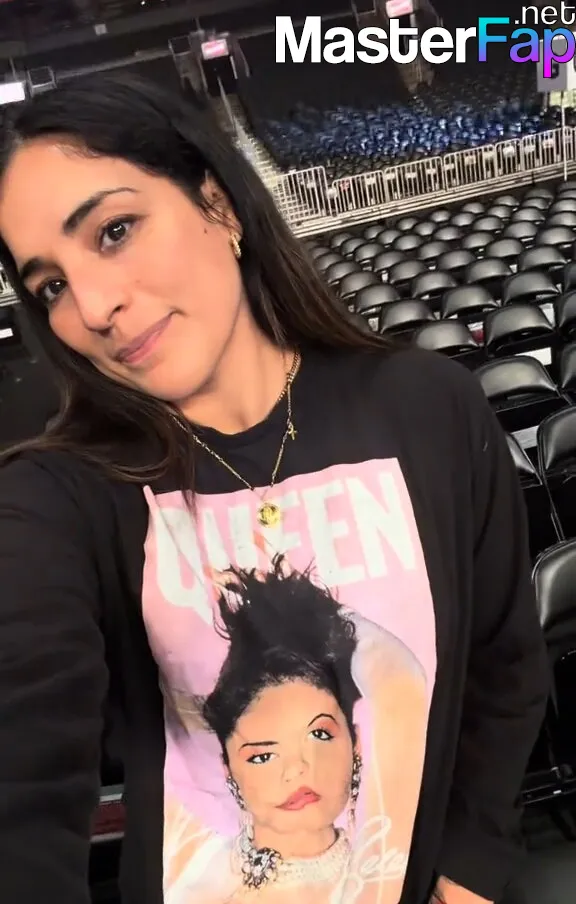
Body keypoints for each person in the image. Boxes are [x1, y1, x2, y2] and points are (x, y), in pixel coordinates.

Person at [0, 73, 548, 904]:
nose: (95, 306)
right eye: (51, 287)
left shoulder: (427, 407)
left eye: (114, 231)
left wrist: (469, 864)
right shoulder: (60, 496)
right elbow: (22, 741)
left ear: (218, 206)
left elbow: (502, 664)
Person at [164, 559, 427, 902]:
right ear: (229, 769)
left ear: (356, 743)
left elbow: (400, 684)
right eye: (263, 755)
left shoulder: (372, 873)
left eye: (319, 735)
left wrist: (326, 616)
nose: (297, 769)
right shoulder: (192, 856)